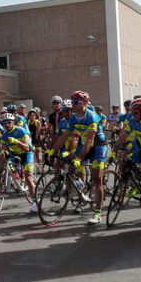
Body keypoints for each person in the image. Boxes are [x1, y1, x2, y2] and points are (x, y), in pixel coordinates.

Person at [52, 91, 107, 224]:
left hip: (98, 147)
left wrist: (78, 159)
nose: (73, 104)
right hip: (85, 145)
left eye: (75, 102)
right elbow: (64, 136)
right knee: (69, 164)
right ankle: (81, 190)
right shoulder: (73, 117)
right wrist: (52, 151)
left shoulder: (92, 116)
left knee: (96, 179)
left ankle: (97, 213)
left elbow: (89, 142)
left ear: (84, 103)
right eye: (72, 101)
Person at [0, 113, 38, 213]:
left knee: (28, 177)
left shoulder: (21, 130)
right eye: (4, 123)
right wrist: (2, 152)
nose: (7, 125)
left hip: (26, 154)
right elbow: (2, 147)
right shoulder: (4, 135)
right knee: (1, 161)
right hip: (15, 155)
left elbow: (27, 147)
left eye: (9, 122)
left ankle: (35, 202)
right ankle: (16, 178)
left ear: (13, 122)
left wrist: (15, 141)